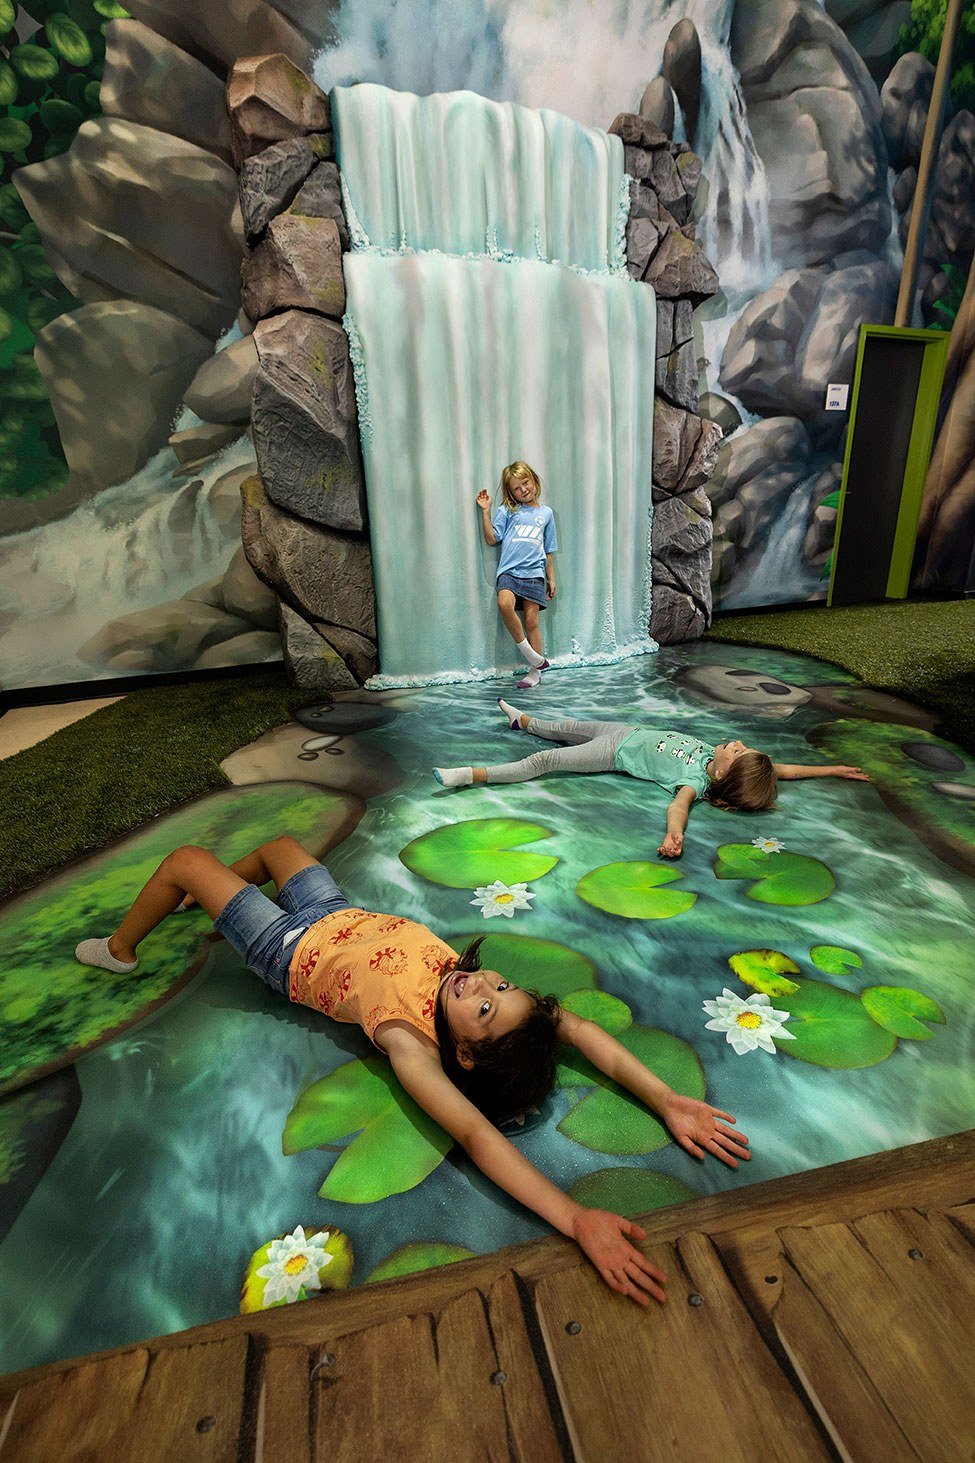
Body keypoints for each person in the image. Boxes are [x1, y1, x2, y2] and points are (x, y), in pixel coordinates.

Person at [75, 834, 751, 1305]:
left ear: (464, 1054)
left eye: (485, 1008)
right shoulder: (469, 991)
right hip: (336, 913)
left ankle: (120, 947)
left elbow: (478, 1135)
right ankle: (218, 898)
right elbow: (577, 1029)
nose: (481, 982)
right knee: (279, 848)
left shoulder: (411, 1044)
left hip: (286, 946)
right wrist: (663, 1096)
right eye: (500, 986)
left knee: (187, 860)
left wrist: (574, 1218)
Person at [434, 700, 870, 857]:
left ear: (722, 773)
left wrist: (674, 835)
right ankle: (522, 721)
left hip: (614, 752)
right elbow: (783, 770)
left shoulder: (695, 783)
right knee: (562, 725)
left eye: (736, 751)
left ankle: (470, 775)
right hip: (625, 730)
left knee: (547, 760)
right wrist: (831, 769)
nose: (735, 742)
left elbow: (677, 806)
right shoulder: (716, 764)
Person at [477, 461, 557, 689]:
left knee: (532, 621)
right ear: (510, 492)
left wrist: (551, 578)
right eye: (516, 488)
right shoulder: (507, 510)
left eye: (525, 483)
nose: (523, 490)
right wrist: (486, 512)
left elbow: (549, 549)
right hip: (510, 572)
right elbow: (492, 538)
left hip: (534, 573)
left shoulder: (546, 513)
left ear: (534, 480)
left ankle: (535, 673)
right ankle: (529, 653)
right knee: (504, 603)